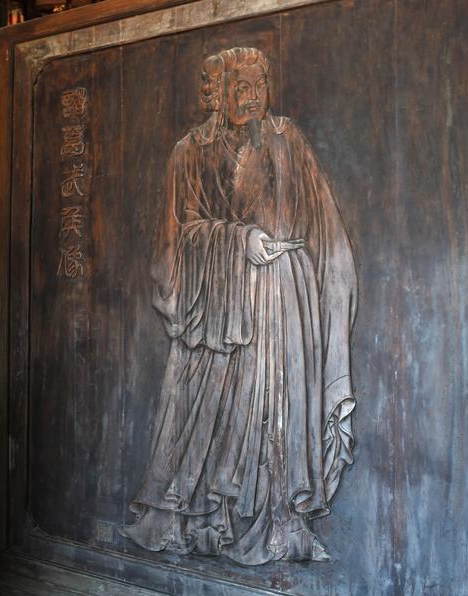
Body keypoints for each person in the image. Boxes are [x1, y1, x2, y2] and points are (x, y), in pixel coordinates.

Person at [120, 47, 358, 565]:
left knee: (277, 408)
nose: (252, 97)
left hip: (283, 300)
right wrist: (238, 240)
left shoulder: (287, 140)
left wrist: (329, 298)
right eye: (240, 87)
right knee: (208, 415)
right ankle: (206, 522)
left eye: (259, 85)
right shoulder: (190, 152)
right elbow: (174, 240)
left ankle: (278, 523)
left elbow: (324, 229)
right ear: (216, 94)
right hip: (216, 308)